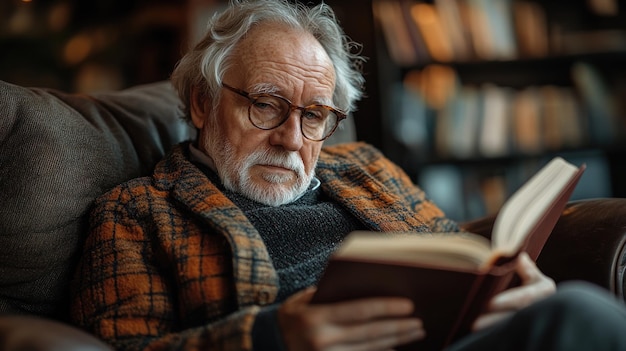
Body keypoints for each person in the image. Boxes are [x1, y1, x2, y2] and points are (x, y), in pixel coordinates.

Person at [70, 0, 626, 350]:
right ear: (201, 103)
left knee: (566, 307)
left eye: (314, 115)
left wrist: (509, 286)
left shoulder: (365, 166)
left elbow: (454, 252)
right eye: (265, 105)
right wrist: (272, 336)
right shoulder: (138, 211)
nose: (291, 138)